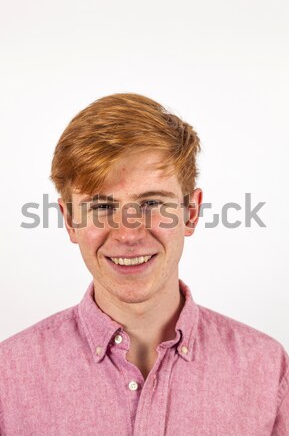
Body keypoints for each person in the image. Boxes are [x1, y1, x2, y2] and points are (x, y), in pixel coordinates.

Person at [0, 93, 288, 436]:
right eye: (101, 207)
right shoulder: (9, 375)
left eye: (152, 202)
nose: (128, 233)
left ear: (191, 213)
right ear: (70, 221)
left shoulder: (267, 369)